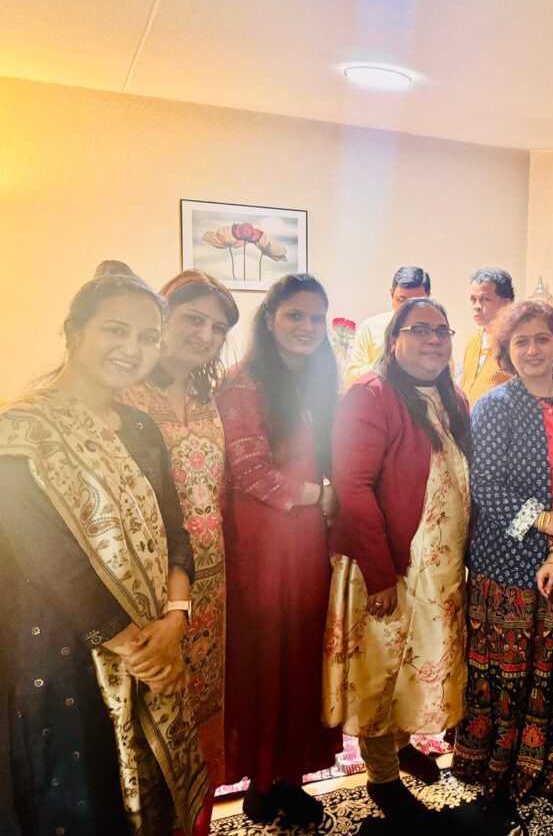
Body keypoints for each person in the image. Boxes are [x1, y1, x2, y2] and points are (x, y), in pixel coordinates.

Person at [0, 274, 207, 836]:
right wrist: (146, 653)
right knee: (86, 797)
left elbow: (175, 531)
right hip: (61, 650)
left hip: (155, 637)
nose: (132, 349)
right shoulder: (19, 432)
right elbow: (48, 560)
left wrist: (175, 622)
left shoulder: (141, 428)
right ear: (74, 333)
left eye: (148, 337)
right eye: (116, 331)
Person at [325, 297, 472, 825]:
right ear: (394, 339)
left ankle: (403, 746)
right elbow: (353, 487)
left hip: (440, 571)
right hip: (389, 565)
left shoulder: (452, 397)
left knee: (416, 669)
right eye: (419, 329)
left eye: (442, 330)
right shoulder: (370, 395)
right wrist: (380, 574)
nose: (433, 339)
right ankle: (382, 777)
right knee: (381, 670)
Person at [452, 301, 553, 809]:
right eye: (522, 341)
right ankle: (498, 764)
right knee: (511, 669)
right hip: (509, 560)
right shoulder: (496, 405)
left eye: (543, 339)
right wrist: (544, 520)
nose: (533, 349)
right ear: (506, 350)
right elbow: (485, 486)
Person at [217, 273, 341, 828]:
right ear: (270, 320)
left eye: (316, 318)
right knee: (266, 654)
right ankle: (261, 781)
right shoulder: (244, 383)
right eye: (295, 315)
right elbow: (250, 471)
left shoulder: (318, 379)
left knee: (303, 653)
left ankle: (292, 776)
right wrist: (320, 495)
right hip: (264, 540)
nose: (307, 327)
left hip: (309, 540)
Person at [121, 270, 239, 799]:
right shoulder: (123, 394)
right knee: (149, 708)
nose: (206, 335)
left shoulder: (207, 394)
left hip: (212, 582)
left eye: (218, 328)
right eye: (194, 319)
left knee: (201, 706)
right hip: (147, 582)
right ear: (162, 316)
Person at [345, 265, 432, 384]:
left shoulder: (435, 331)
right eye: (401, 299)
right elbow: (352, 377)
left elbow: (447, 374)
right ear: (392, 295)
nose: (407, 308)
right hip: (378, 395)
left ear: (428, 298)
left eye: (416, 302)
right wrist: (386, 364)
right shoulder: (370, 327)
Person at [459, 267, 516, 406]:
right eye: (473, 300)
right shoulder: (473, 342)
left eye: (485, 299)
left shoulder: (515, 343)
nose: (476, 306)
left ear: (506, 304)